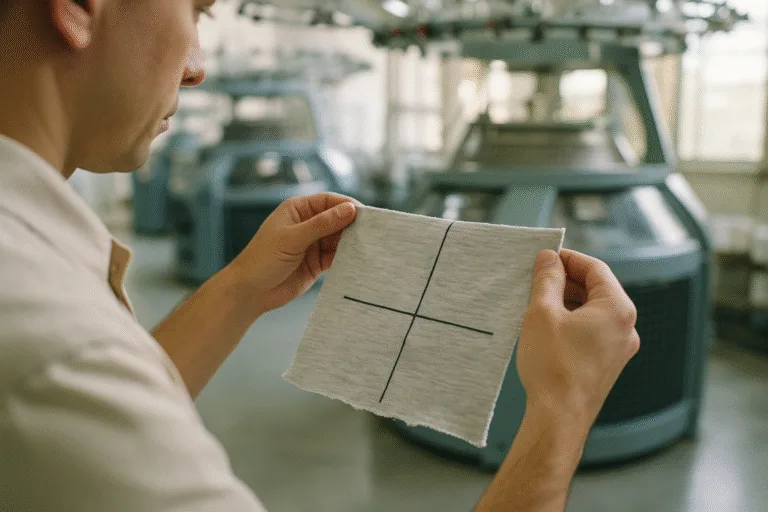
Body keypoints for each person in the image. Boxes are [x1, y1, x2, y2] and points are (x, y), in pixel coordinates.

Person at [0, 1, 640, 511]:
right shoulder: (52, 346)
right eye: (195, 10)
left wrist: (241, 288)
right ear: (79, 7)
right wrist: (563, 410)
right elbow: (82, 373)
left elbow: (119, 401)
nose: (196, 67)